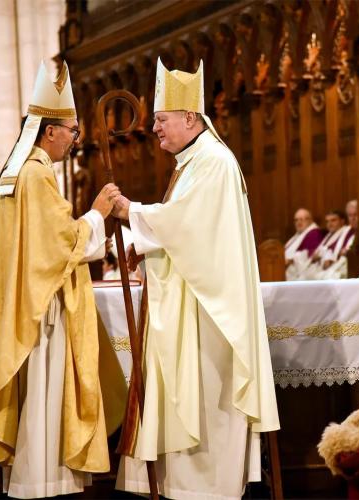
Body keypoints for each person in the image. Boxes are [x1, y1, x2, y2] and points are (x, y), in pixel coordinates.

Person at [111, 58, 280, 498]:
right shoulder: (194, 160)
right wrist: (144, 243)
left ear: (190, 118)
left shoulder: (212, 162)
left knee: (206, 401)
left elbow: (187, 225)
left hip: (211, 316)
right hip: (198, 306)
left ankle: (206, 490)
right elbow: (185, 228)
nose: (156, 129)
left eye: (162, 120)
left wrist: (131, 212)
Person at [0, 61, 126, 498]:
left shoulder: (14, 171)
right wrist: (97, 213)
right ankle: (44, 482)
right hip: (44, 311)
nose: (76, 139)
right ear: (49, 131)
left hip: (26, 305)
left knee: (39, 395)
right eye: (73, 130)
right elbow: (61, 244)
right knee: (46, 395)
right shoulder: (36, 174)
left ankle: (35, 477)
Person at [302, 209, 347, 280]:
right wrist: (316, 257)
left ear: (342, 221)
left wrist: (331, 259)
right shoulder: (327, 236)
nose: (330, 224)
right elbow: (318, 254)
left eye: (333, 220)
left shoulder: (348, 233)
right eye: (327, 221)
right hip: (324, 269)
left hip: (337, 268)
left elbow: (345, 252)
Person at [285, 208, 325, 280]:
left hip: (303, 273)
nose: (298, 222)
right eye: (296, 220)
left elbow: (311, 255)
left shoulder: (314, 233)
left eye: (302, 219)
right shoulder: (298, 235)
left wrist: (291, 259)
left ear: (310, 220)